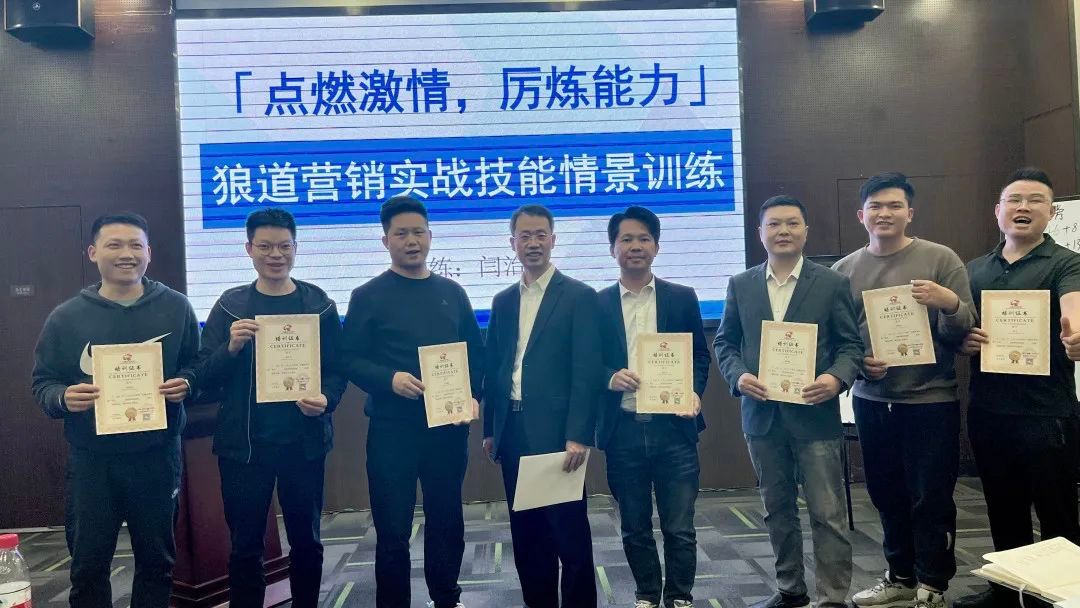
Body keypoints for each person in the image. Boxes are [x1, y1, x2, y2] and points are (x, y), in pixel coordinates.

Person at [31, 212, 199, 608]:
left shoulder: (176, 308)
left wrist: (187, 383)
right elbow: (43, 383)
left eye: (136, 245)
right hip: (93, 462)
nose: (127, 254)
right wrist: (63, 398)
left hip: (157, 457)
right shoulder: (67, 317)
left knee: (157, 563)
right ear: (93, 252)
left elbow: (197, 364)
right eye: (115, 245)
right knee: (88, 566)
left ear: (149, 253)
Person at [183, 208, 347, 608]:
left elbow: (337, 369)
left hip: (303, 444)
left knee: (307, 541)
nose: (276, 254)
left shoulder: (319, 304)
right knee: (245, 547)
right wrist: (230, 347)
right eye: (265, 246)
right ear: (249, 249)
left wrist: (326, 400)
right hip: (244, 448)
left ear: (296, 248)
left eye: (284, 246)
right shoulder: (230, 306)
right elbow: (202, 373)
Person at [833, 173, 976, 608]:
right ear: (861, 215)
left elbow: (964, 329)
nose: (885, 213)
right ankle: (900, 576)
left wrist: (948, 303)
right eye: (875, 206)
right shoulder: (844, 270)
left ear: (909, 213)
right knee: (885, 493)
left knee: (931, 495)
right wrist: (860, 363)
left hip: (930, 400)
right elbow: (840, 340)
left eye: (894, 205)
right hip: (872, 401)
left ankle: (933, 583)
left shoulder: (940, 259)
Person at [714, 196, 863, 608]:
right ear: (760, 233)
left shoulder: (831, 283)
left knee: (827, 513)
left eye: (792, 223)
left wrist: (835, 378)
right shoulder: (741, 284)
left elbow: (851, 345)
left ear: (805, 231)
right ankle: (790, 590)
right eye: (774, 224)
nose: (783, 231)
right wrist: (738, 376)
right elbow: (725, 343)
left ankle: (832, 597)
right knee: (776, 509)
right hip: (762, 416)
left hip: (815, 415)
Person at [341, 195, 483, 608]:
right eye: (401, 233)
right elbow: (348, 359)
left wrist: (474, 397)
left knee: (447, 519)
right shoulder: (368, 295)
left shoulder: (452, 293)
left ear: (430, 236)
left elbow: (476, 355)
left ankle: (447, 597)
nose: (411, 241)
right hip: (392, 430)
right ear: (385, 240)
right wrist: (389, 380)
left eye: (418, 232)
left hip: (447, 429)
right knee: (392, 529)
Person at [954, 167, 1080, 608]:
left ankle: (1063, 597)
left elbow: (1074, 307)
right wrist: (964, 341)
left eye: (1035, 200)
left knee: (1058, 515)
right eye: (1014, 200)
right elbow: (959, 328)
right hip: (989, 412)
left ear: (1051, 212)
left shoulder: (1066, 262)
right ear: (998, 211)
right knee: (1002, 509)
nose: (1023, 207)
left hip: (1047, 414)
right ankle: (1008, 593)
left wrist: (1076, 334)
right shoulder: (974, 270)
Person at [482, 204, 601, 608]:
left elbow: (586, 370)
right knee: (528, 536)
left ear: (552, 239)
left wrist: (578, 434)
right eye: (524, 236)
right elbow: (496, 367)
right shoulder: (503, 301)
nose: (532, 243)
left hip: (557, 436)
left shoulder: (579, 297)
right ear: (512, 242)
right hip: (513, 433)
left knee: (569, 536)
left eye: (540, 235)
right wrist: (490, 429)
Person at [596, 206, 710, 608]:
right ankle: (646, 594)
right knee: (634, 526)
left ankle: (679, 596)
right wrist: (609, 377)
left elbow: (699, 355)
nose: (635, 246)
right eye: (626, 239)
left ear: (656, 247)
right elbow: (585, 362)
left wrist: (694, 391)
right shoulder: (597, 304)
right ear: (612, 248)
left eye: (644, 238)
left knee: (680, 527)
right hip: (623, 428)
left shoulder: (681, 297)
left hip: (673, 429)